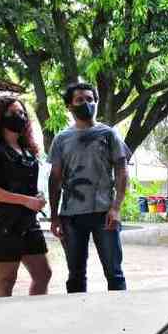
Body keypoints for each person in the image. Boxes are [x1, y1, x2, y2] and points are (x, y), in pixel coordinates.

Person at [49, 82, 131, 293]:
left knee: (114, 272)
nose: (86, 103)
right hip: (71, 216)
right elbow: (55, 179)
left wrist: (116, 207)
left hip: (104, 214)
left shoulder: (109, 134)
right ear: (69, 106)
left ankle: (121, 320)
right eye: (79, 100)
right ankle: (78, 318)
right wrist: (54, 216)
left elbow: (122, 172)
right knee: (75, 275)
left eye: (90, 99)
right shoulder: (61, 139)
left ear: (96, 102)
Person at [0, 97, 52, 297]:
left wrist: (36, 197)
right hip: (2, 225)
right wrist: (26, 200)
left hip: (28, 224)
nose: (20, 117)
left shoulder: (27, 151)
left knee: (43, 274)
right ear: (0, 117)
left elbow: (23, 187)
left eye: (22, 113)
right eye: (13, 113)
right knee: (6, 279)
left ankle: (32, 319)